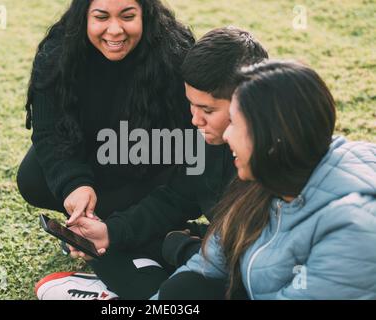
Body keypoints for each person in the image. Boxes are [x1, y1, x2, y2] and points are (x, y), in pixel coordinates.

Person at [34, 27, 269, 300]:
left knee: (187, 290)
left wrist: (180, 247)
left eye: (207, 110)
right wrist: (110, 232)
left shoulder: (273, 163)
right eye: (191, 105)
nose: (195, 120)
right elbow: (175, 198)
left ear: (250, 101)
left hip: (240, 269)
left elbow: (256, 265)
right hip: (214, 246)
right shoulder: (205, 141)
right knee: (109, 245)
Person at [151, 60, 376, 300]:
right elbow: (206, 266)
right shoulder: (268, 180)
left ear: (270, 138)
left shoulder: (352, 229)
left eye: (235, 124)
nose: (227, 135)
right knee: (185, 289)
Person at [16, 0, 195, 225]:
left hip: (148, 161)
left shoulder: (174, 52)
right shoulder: (57, 53)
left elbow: (190, 138)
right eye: (101, 17)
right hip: (94, 150)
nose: (114, 30)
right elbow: (49, 130)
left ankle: (119, 222)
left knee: (189, 175)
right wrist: (75, 184)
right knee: (33, 177)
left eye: (127, 17)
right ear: (84, 17)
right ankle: (93, 216)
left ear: (145, 15)